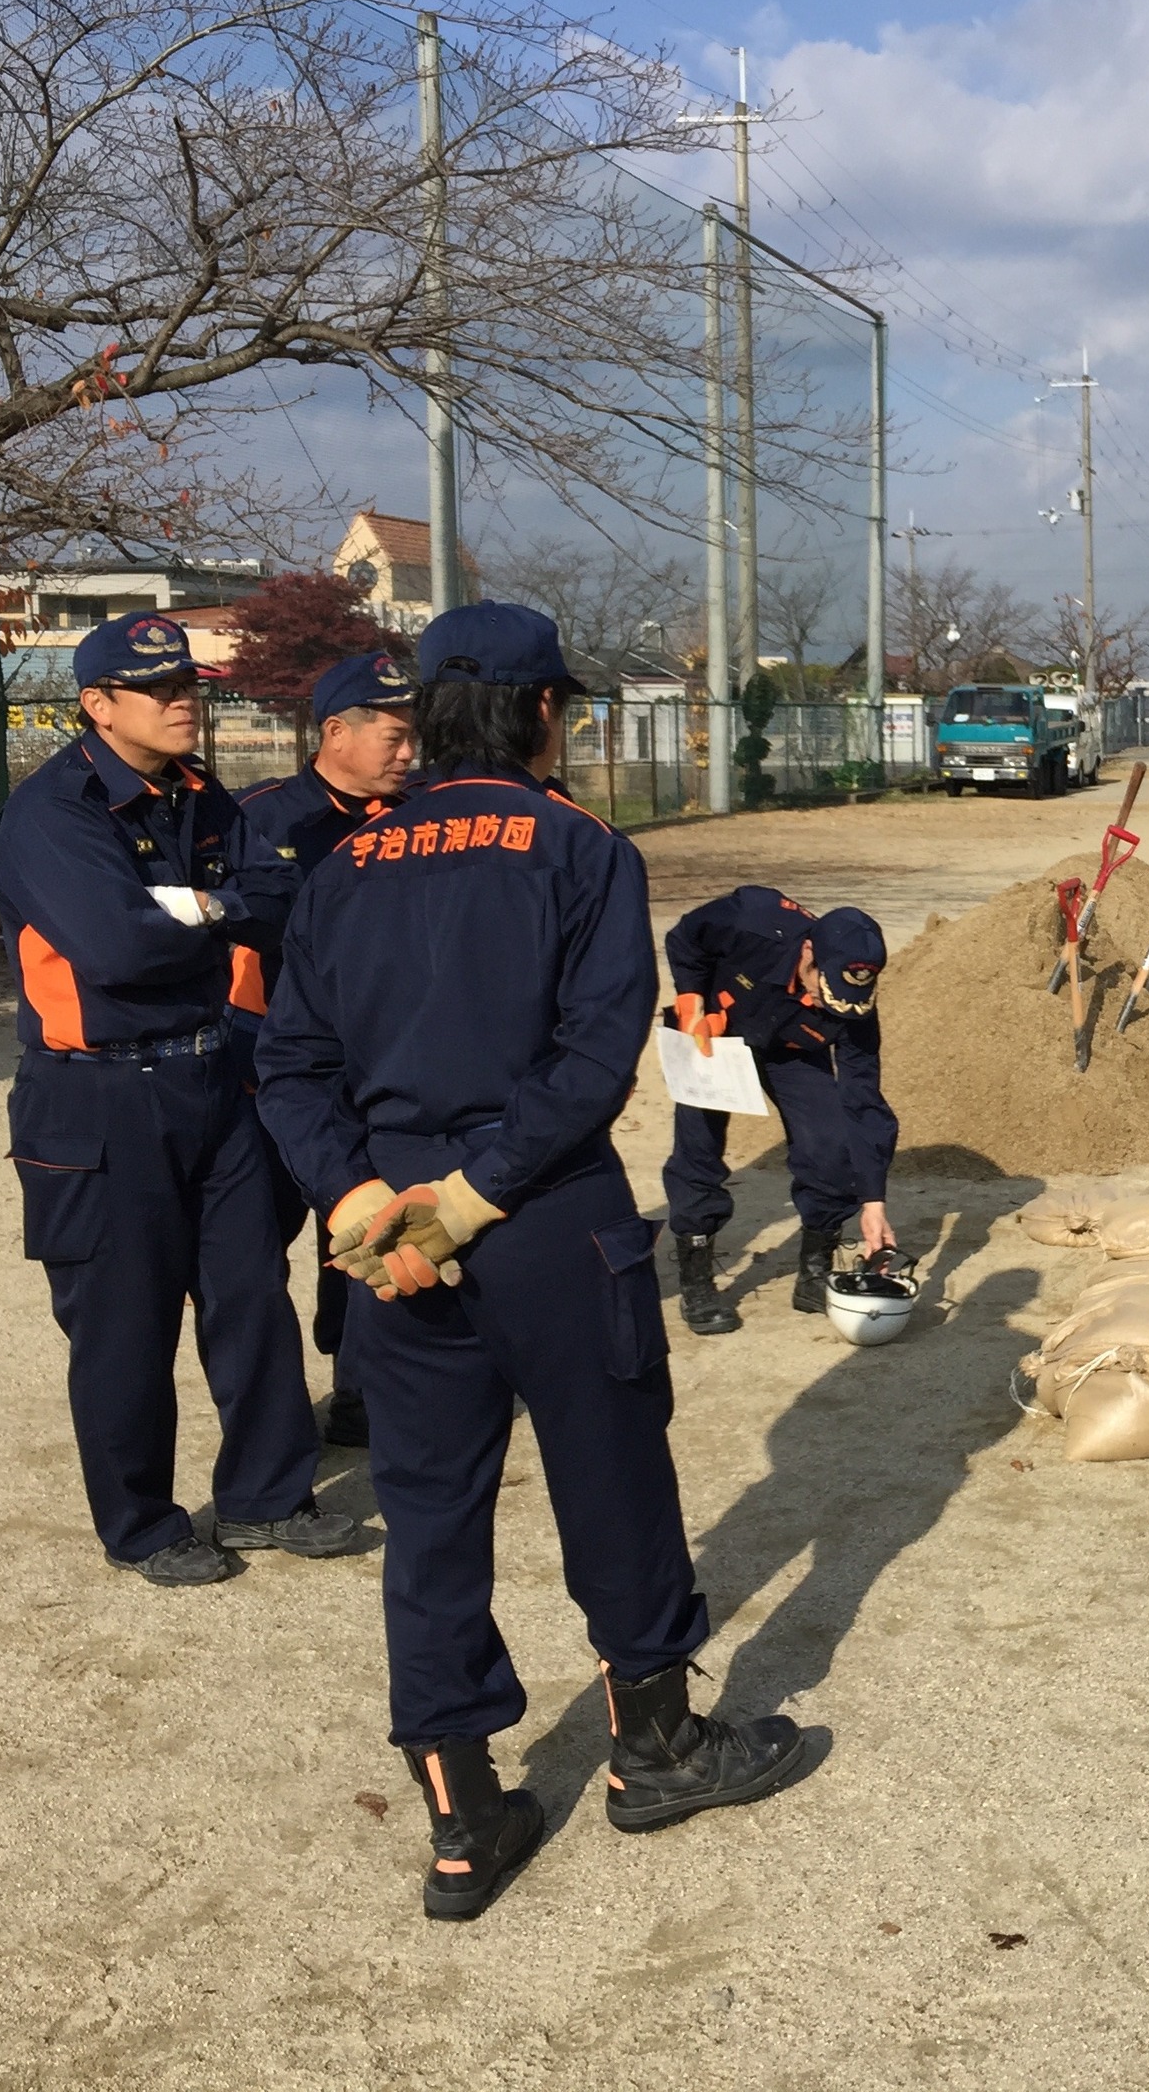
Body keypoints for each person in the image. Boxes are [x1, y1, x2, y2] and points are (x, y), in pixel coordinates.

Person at [257, 602, 802, 1921]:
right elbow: (589, 1055)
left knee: (430, 1522)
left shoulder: (345, 865)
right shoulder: (579, 849)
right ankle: (657, 1749)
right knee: (610, 1481)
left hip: (392, 1248)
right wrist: (473, 1193)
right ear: (544, 712)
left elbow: (291, 1064)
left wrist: (369, 1197)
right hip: (545, 1220)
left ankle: (461, 1819)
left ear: (428, 716)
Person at [0, 613, 351, 1585]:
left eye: (189, 683)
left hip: (212, 1075)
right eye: (158, 688)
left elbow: (280, 904)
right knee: (123, 1321)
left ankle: (270, 1496)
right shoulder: (54, 812)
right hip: (94, 1100)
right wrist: (210, 912)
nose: (184, 700)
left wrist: (196, 907)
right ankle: (142, 1525)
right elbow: (117, 949)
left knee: (249, 1295)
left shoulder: (194, 794)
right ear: (97, 706)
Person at [230, 650, 418, 1449]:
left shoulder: (424, 820)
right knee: (253, 1247)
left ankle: (360, 1386)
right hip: (272, 1070)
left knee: (368, 1223)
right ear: (334, 731)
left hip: (379, 1065)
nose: (410, 753)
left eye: (417, 738)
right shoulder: (261, 817)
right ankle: (269, 1418)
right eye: (395, 736)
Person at [660, 888, 894, 1334]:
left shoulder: (853, 1008)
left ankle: (813, 1269)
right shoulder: (753, 919)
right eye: (824, 991)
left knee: (830, 1142)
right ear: (809, 953)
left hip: (789, 1048)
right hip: (714, 1032)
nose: (828, 1005)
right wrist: (692, 1000)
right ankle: (696, 1274)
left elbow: (863, 1101)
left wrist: (873, 1202)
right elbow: (686, 937)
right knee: (699, 1146)